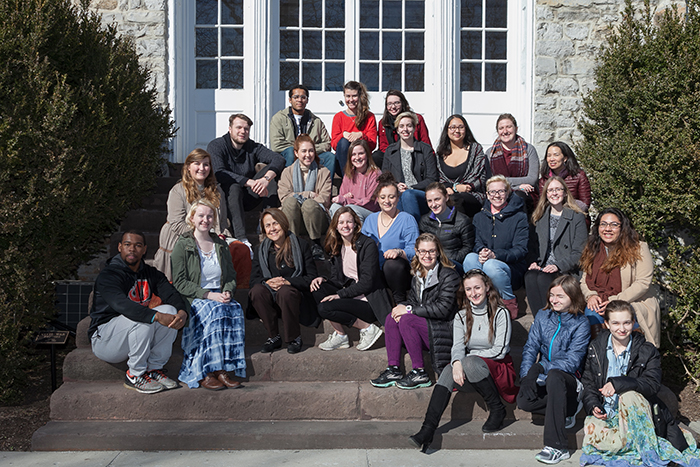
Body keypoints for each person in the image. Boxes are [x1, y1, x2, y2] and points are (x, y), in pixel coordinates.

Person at [580, 300, 700, 467]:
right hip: (608, 413)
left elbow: (651, 384)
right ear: (606, 324)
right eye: (615, 323)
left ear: (633, 322)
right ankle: (624, 444)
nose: (622, 328)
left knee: (628, 395)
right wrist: (593, 404)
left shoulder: (647, 349)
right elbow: (589, 382)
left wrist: (618, 384)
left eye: (627, 322)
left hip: (636, 413)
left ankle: (643, 447)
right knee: (595, 434)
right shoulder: (596, 347)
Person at [409, 269, 516, 452]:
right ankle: (427, 430)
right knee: (449, 369)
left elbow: (500, 351)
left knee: (468, 362)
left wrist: (466, 360)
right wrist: (457, 362)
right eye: (468, 289)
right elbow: (457, 346)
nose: (473, 293)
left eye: (477, 288)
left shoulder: (500, 313)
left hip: (499, 370)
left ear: (487, 287)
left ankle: (497, 409)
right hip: (474, 370)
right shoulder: (461, 316)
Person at [89, 231, 187, 394]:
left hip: (133, 334)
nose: (132, 249)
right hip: (105, 340)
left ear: (144, 250)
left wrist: (182, 312)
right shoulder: (109, 275)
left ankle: (154, 369)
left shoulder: (150, 273)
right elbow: (122, 305)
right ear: (120, 247)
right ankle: (135, 374)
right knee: (144, 317)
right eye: (127, 245)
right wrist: (156, 316)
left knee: (170, 310)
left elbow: (171, 294)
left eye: (138, 245)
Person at [171, 201, 246, 390]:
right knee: (214, 313)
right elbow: (180, 282)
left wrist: (227, 291)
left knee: (234, 309)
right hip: (195, 297)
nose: (205, 220)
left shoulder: (220, 244)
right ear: (192, 218)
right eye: (201, 216)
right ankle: (206, 371)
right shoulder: (183, 244)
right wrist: (208, 295)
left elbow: (230, 276)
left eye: (209, 216)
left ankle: (223, 368)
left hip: (218, 295)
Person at [370, 233, 460, 390]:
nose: (427, 255)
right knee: (392, 316)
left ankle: (420, 372)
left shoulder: (449, 275)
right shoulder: (418, 276)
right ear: (417, 252)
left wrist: (409, 309)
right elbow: (412, 301)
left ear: (438, 252)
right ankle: (393, 369)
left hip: (443, 331)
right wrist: (402, 308)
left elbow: (443, 309)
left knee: (407, 318)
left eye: (431, 251)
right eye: (423, 251)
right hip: (426, 328)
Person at [517, 275, 590, 465]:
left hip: (568, 379)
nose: (554, 300)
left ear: (573, 298)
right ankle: (568, 408)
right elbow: (531, 347)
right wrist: (526, 376)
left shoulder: (581, 323)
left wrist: (540, 366)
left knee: (555, 376)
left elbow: (572, 361)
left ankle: (557, 446)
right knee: (524, 401)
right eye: (551, 295)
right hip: (545, 377)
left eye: (560, 296)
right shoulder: (543, 316)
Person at [153, 148, 251, 283]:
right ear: (188, 167)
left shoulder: (217, 191)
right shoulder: (178, 191)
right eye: (197, 164)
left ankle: (234, 289)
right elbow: (177, 224)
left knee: (241, 249)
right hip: (183, 236)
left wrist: (219, 237)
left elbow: (221, 222)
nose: (202, 168)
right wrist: (201, 238)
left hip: (212, 235)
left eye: (206, 164)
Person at [310, 207, 392, 351]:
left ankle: (367, 328)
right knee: (318, 288)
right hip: (350, 295)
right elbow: (337, 280)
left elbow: (367, 282)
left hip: (368, 301)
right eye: (341, 222)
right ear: (336, 225)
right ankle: (340, 335)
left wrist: (340, 295)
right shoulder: (337, 246)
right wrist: (322, 279)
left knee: (324, 308)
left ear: (355, 224)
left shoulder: (367, 244)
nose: (345, 226)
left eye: (349, 221)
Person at [579, 207, 661, 347]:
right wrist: (591, 296)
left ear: (622, 227)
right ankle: (599, 355)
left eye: (614, 225)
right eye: (603, 224)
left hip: (632, 301)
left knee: (622, 314)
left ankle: (634, 358)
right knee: (591, 312)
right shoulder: (593, 248)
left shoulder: (638, 248)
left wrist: (614, 301)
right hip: (600, 301)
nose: (607, 229)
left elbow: (643, 282)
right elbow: (584, 280)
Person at [248, 208, 318, 354]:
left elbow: (311, 277)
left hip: (295, 298)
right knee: (257, 291)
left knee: (285, 292)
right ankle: (273, 337)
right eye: (267, 225)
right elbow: (254, 280)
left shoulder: (301, 245)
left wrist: (288, 282)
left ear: (284, 224)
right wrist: (267, 283)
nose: (272, 228)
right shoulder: (260, 250)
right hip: (270, 298)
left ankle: (294, 338)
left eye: (275, 223)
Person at [208, 113, 285, 241]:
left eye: (246, 129)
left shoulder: (252, 146)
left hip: (250, 195)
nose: (243, 131)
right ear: (230, 129)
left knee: (270, 176)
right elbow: (219, 173)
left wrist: (265, 179)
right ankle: (241, 238)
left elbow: (278, 159)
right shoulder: (217, 146)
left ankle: (267, 221)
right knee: (234, 187)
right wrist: (249, 182)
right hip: (227, 198)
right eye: (239, 127)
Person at [463, 175, 529, 319]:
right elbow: (476, 242)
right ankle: (479, 300)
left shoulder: (519, 217)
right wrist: (482, 251)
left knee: (491, 266)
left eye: (501, 191)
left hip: (511, 268)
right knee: (470, 259)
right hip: (487, 262)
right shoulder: (479, 217)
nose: (496, 195)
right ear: (487, 194)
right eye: (492, 192)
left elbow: (521, 250)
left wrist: (495, 255)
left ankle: (508, 302)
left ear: (508, 192)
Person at [524, 176, 587, 317]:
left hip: (566, 269)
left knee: (544, 278)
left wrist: (558, 265)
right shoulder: (538, 217)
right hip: (543, 265)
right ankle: (540, 320)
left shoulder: (577, 217)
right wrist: (533, 261)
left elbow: (580, 252)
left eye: (558, 189)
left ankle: (552, 319)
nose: (554, 193)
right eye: (550, 190)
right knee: (530, 276)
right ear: (546, 194)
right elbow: (532, 246)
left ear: (565, 193)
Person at [361, 173, 420, 304]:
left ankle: (400, 300)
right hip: (376, 271)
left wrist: (399, 252)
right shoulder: (370, 219)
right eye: (383, 197)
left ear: (398, 198)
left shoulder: (406, 219)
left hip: (399, 272)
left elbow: (415, 249)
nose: (387, 201)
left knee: (392, 264)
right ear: (377, 199)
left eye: (391, 197)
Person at [278, 135, 332, 260]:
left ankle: (315, 244)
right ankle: (293, 243)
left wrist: (300, 198)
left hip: (317, 220)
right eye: (304, 151)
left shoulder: (323, 172)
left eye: (311, 150)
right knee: (291, 202)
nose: (308, 154)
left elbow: (324, 199)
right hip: (293, 218)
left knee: (309, 205)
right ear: (296, 153)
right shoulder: (287, 172)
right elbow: (284, 197)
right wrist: (309, 194)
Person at [381, 111, 439, 222]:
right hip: (397, 193)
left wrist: (411, 187)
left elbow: (432, 179)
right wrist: (396, 186)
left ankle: (412, 231)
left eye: (409, 126)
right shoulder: (390, 151)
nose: (405, 129)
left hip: (421, 194)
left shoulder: (425, 149)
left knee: (407, 195)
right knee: (397, 198)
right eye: (401, 126)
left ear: (414, 128)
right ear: (397, 130)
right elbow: (385, 178)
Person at [269, 84, 336, 176]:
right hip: (288, 157)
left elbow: (327, 143)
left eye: (303, 97)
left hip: (311, 157)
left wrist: (308, 150)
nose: (299, 100)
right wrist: (299, 150)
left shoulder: (316, 121)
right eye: (296, 97)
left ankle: (324, 189)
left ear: (307, 100)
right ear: (290, 100)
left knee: (330, 157)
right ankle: (290, 188)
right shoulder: (278, 118)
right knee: (290, 152)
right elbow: (276, 145)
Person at [436, 114, 487, 217]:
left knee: (456, 199)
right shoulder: (440, 153)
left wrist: (465, 187)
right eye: (453, 127)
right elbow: (439, 178)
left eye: (461, 127)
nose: (457, 131)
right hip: (448, 194)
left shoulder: (476, 149)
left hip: (473, 195)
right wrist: (454, 188)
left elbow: (481, 176)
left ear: (466, 129)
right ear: (447, 130)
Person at [486, 113, 539, 212]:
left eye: (509, 127)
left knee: (517, 197)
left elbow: (532, 179)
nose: (505, 131)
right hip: (498, 193)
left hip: (525, 194)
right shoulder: (490, 153)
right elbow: (490, 181)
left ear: (516, 129)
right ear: (497, 131)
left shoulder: (529, 149)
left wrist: (502, 182)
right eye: (501, 128)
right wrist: (518, 186)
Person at [419, 182, 474, 274]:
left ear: (446, 197)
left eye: (437, 199)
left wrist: (449, 259)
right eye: (429, 201)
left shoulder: (462, 220)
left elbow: (468, 247)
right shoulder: (425, 221)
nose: (433, 204)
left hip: (453, 263)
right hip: (431, 262)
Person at [374, 90, 432, 168]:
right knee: (376, 156)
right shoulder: (383, 123)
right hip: (393, 155)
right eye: (389, 104)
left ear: (403, 103)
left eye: (397, 103)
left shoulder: (417, 119)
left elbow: (425, 142)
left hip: (413, 153)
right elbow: (383, 147)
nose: (393, 107)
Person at [331, 81, 377, 175]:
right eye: (348, 96)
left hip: (363, 162)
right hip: (343, 164)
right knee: (343, 142)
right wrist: (343, 135)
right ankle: (348, 180)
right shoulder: (338, 117)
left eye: (354, 96)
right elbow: (334, 145)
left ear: (360, 96)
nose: (351, 99)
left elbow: (372, 145)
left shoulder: (369, 116)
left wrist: (361, 135)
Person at [329, 139, 381, 222]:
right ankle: (340, 234)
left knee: (352, 209)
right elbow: (342, 196)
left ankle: (359, 235)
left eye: (361, 153)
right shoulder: (349, 174)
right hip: (351, 209)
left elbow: (370, 202)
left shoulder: (375, 174)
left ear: (367, 155)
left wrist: (347, 200)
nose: (357, 158)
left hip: (371, 214)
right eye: (353, 154)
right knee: (335, 207)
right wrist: (346, 199)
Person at [538, 141, 591, 213]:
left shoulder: (578, 175)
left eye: (556, 155)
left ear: (565, 158)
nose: (551, 159)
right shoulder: (543, 180)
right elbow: (542, 204)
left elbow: (585, 204)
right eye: (549, 155)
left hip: (575, 216)